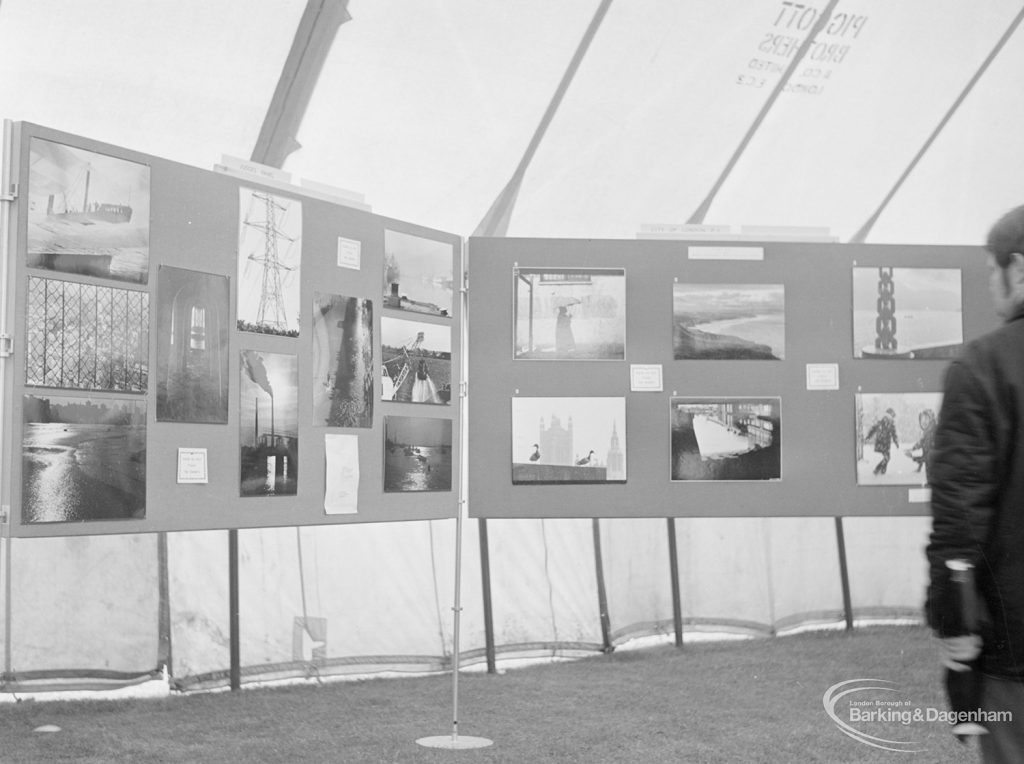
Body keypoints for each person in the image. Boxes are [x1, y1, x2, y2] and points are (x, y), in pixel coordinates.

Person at [927, 204, 1024, 761]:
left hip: (1013, 644)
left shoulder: (983, 367)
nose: (991, 282)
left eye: (992, 268)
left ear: (1018, 268)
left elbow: (960, 516)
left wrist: (953, 616)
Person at [864, 408, 898, 475]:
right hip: (884, 443)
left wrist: (868, 437)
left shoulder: (882, 421)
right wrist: (896, 441)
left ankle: (882, 471)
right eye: (893, 415)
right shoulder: (888, 422)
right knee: (887, 457)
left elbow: (873, 429)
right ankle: (877, 470)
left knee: (887, 457)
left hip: (882, 442)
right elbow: (893, 433)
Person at [908, 408, 937, 474]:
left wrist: (914, 458)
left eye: (926, 419)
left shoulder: (933, 433)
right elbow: (922, 442)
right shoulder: (928, 431)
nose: (924, 421)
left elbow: (928, 457)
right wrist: (913, 448)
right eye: (923, 419)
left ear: (931, 420)